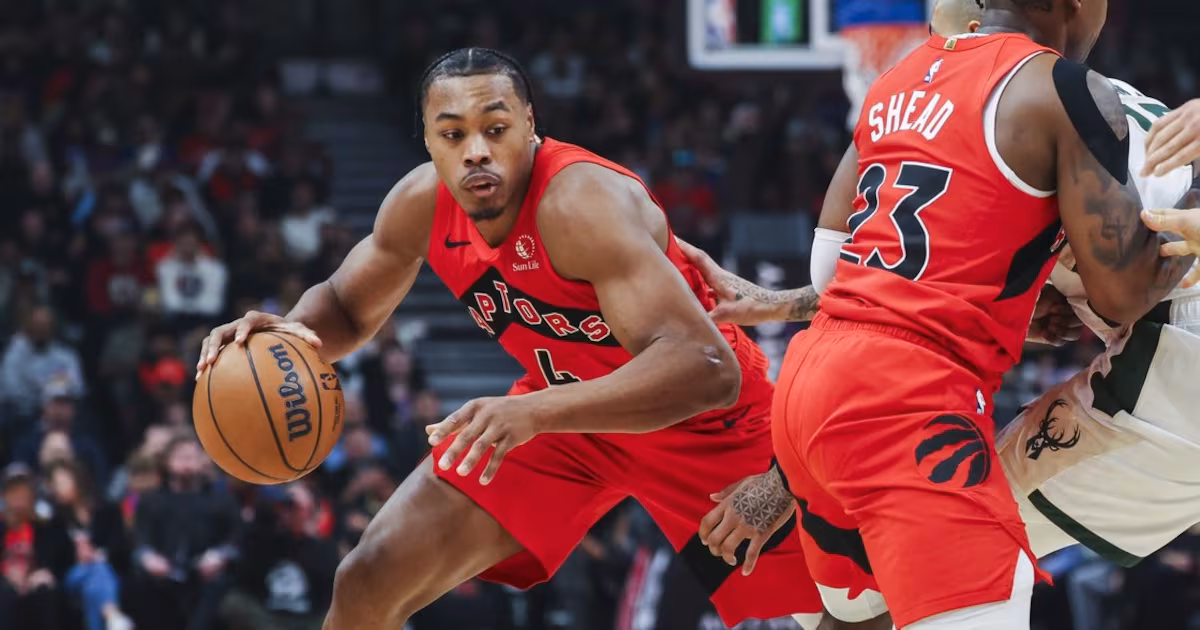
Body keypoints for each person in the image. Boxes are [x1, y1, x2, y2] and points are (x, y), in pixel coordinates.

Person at [196, 48, 823, 629]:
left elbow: (708, 369)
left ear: (529, 124)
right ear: (428, 141)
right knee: (368, 578)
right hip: (563, 420)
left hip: (703, 426)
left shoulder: (579, 201)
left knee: (851, 612)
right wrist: (285, 334)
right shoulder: (421, 202)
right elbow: (344, 308)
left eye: (494, 129)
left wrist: (533, 411)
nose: (475, 151)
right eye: (452, 134)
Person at [707, 0, 1194, 627]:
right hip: (921, 391)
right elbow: (1122, 292)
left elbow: (841, 277)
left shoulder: (903, 83)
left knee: (865, 600)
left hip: (818, 382)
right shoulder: (1071, 94)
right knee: (902, 592)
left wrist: (789, 304)